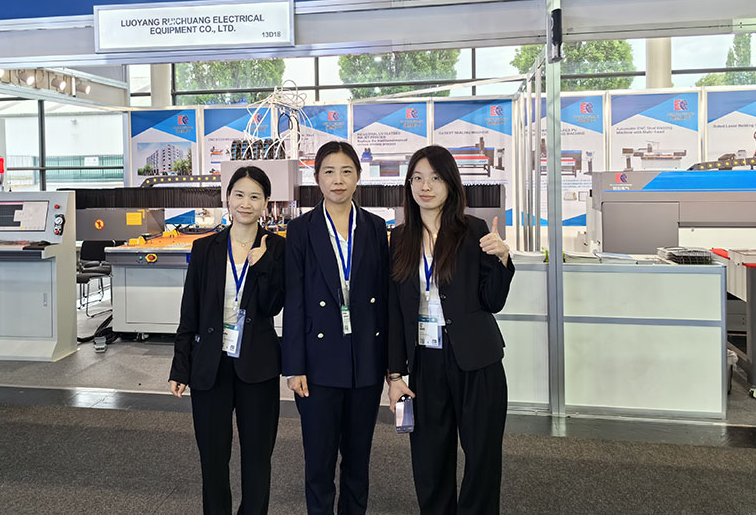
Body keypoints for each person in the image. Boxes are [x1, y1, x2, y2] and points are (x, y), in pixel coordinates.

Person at [387, 145, 513, 515]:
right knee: (429, 458)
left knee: (482, 456)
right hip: (425, 362)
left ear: (450, 184)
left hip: (476, 359)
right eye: (417, 178)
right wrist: (395, 374)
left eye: (435, 178)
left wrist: (503, 259)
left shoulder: (473, 231)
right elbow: (394, 312)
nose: (425, 186)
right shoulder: (399, 239)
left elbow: (492, 301)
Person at [169, 165, 285, 515]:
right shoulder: (206, 248)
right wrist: (181, 366)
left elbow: (273, 305)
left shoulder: (278, 248)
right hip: (210, 366)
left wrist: (262, 266)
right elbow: (190, 310)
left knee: (257, 457)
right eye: (239, 195)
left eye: (255, 196)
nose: (246, 203)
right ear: (228, 198)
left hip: (258, 366)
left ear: (266, 202)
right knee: (213, 457)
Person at [283, 140, 389, 515]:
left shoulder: (375, 228)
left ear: (358, 176)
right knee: (319, 460)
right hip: (317, 364)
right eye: (329, 171)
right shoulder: (301, 230)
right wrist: (293, 365)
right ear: (317, 178)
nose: (338, 180)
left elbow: (385, 300)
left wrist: (392, 367)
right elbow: (294, 300)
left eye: (346, 171)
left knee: (358, 460)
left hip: (365, 361)